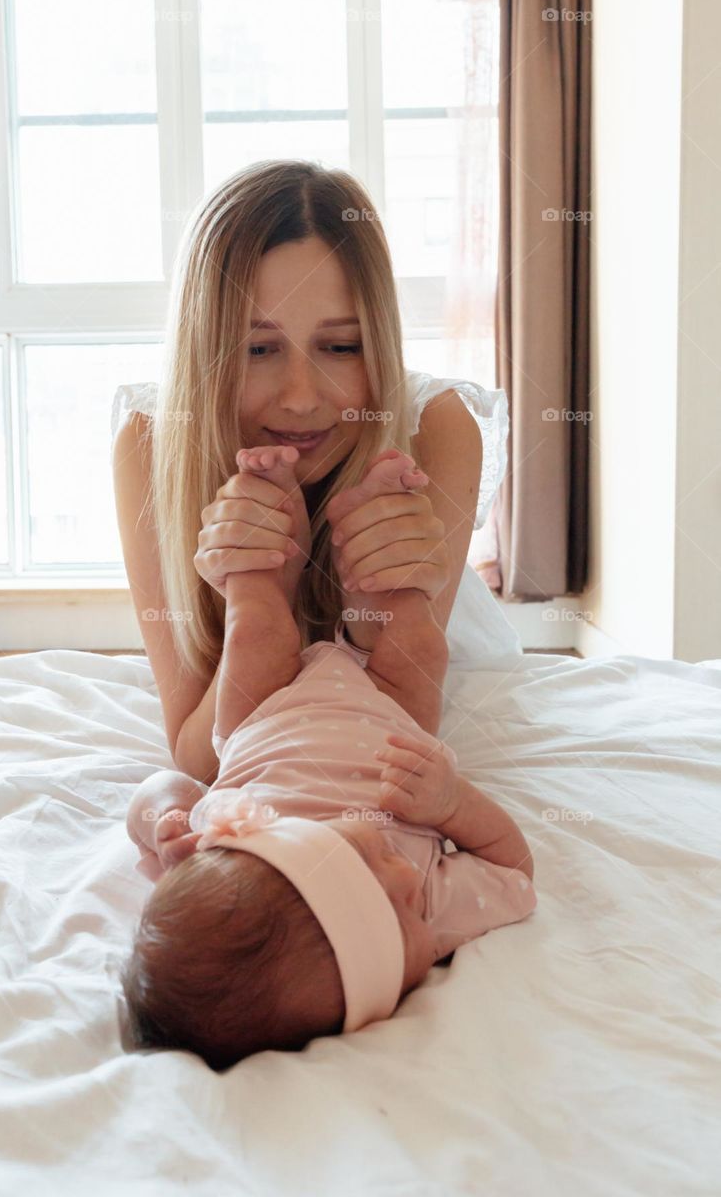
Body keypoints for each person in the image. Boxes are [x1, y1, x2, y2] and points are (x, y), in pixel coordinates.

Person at [120, 446, 537, 1072]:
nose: (404, 879)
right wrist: (453, 805)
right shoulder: (430, 910)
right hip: (393, 715)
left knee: (256, 627)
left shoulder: (224, 858)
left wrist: (162, 820)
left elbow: (165, 781)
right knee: (414, 638)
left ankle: (267, 528)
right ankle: (370, 523)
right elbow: (516, 871)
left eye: (368, 862)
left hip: (262, 716)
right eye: (401, 920)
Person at [111, 159, 514, 789]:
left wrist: (380, 606)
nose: (301, 397)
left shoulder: (433, 426)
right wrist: (261, 601)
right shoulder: (152, 439)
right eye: (258, 349)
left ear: (377, 339)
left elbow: (396, 732)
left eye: (341, 347)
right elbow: (200, 759)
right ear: (205, 349)